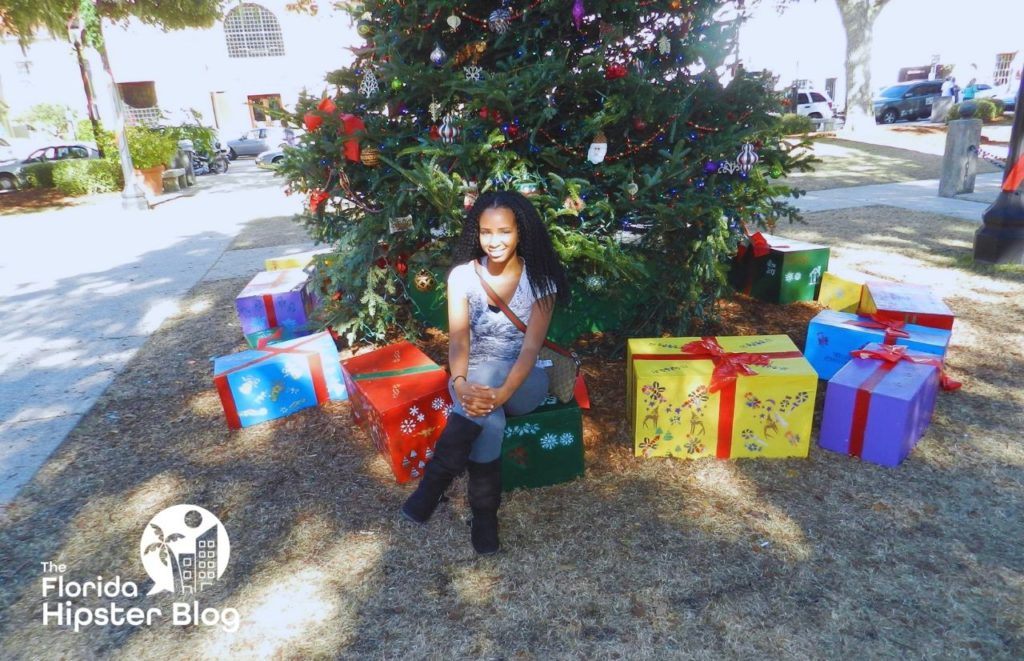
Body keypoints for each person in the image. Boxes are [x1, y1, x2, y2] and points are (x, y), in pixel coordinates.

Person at [400, 190, 569, 554]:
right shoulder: (462, 277)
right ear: (476, 233)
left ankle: (432, 486)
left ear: (520, 231)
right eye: (486, 232)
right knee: (488, 418)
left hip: (522, 384)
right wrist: (460, 384)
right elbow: (459, 342)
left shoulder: (540, 281)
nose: (494, 241)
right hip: (469, 382)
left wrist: (502, 392)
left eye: (504, 231)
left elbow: (529, 350)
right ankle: (485, 514)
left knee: (489, 383)